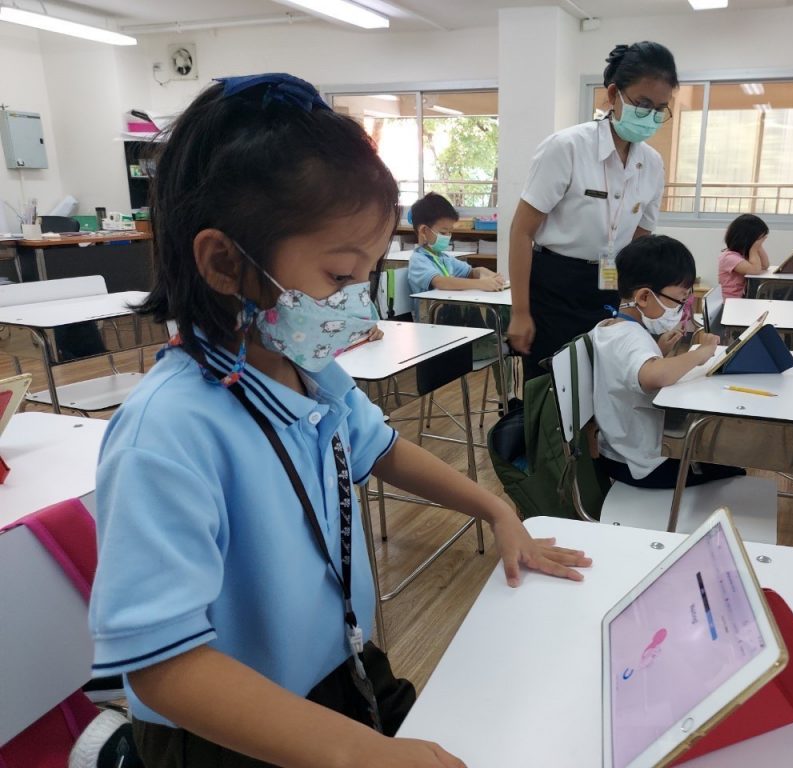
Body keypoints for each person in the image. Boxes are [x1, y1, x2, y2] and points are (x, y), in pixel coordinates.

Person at [88, 73, 590, 768]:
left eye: (368, 276)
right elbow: (163, 670)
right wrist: (362, 755)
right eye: (338, 278)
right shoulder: (167, 433)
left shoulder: (310, 372)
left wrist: (497, 510)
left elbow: (383, 449)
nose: (358, 303)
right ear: (225, 262)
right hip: (227, 728)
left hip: (338, 663)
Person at [508, 41, 678, 379]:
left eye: (660, 108)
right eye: (643, 104)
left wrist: (638, 304)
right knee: (555, 384)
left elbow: (641, 238)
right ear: (613, 94)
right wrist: (520, 312)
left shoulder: (652, 163)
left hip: (613, 280)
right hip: (555, 285)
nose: (651, 116)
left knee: (606, 378)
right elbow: (521, 232)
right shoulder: (567, 147)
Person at [590, 234, 745, 489]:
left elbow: (625, 372)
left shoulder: (608, 327)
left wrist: (658, 350)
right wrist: (701, 353)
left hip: (619, 452)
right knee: (733, 466)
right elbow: (654, 376)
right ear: (643, 297)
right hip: (643, 464)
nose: (681, 309)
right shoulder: (630, 337)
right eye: (679, 301)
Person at [406, 192, 506, 321]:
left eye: (450, 232)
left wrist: (485, 273)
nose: (448, 236)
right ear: (424, 231)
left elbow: (470, 272)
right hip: (432, 322)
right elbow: (441, 282)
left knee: (480, 311)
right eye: (443, 232)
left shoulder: (444, 258)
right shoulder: (418, 260)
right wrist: (481, 284)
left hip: (451, 318)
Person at [718, 213, 770, 300]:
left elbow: (765, 265)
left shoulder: (742, 255)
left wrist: (759, 246)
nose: (760, 242)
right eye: (758, 239)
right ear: (747, 238)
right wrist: (754, 248)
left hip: (740, 300)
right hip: (729, 302)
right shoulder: (729, 257)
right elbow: (755, 270)